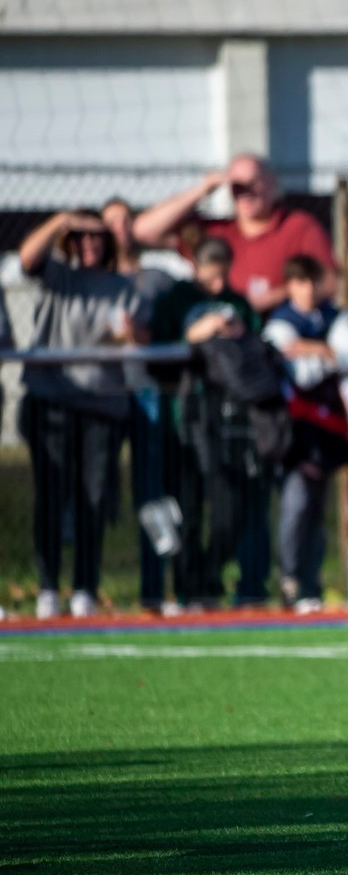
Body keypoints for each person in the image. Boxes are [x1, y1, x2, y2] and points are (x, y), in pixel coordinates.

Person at [15, 209, 138, 618]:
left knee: (93, 497)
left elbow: (129, 339)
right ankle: (48, 587)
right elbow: (26, 258)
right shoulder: (58, 276)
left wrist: (128, 335)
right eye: (80, 237)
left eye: (96, 237)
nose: (89, 244)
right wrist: (61, 221)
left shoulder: (121, 287)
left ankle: (86, 587)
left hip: (101, 406)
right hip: (52, 400)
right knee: (51, 495)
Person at [150, 238, 265, 607]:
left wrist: (238, 334)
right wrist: (193, 335)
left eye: (223, 277)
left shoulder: (237, 303)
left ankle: (209, 577)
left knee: (230, 511)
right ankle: (189, 590)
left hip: (228, 423)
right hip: (183, 420)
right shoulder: (175, 301)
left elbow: (257, 350)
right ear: (195, 268)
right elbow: (155, 357)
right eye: (210, 277)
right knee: (186, 512)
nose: (218, 286)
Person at [264, 255, 348, 612]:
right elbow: (301, 374)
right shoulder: (280, 322)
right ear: (289, 286)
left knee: (317, 508)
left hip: (329, 430)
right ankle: (291, 580)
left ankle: (311, 583)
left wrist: (319, 349)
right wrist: (329, 355)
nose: (308, 290)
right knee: (296, 504)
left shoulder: (333, 317)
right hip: (293, 432)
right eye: (300, 282)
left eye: (312, 282)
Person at [102, 197, 185, 612]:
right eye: (110, 223)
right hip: (100, 396)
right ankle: (80, 590)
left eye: (126, 220)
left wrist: (144, 335)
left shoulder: (158, 279)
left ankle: (157, 591)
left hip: (148, 394)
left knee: (154, 493)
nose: (118, 230)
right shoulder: (91, 280)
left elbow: (176, 326)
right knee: (91, 495)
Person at [133, 153, 334, 315]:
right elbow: (143, 231)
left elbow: (331, 282)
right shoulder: (215, 232)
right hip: (223, 329)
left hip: (283, 327)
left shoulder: (298, 226)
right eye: (238, 186)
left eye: (253, 183)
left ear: (271, 182)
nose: (246, 193)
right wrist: (203, 189)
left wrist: (281, 295)